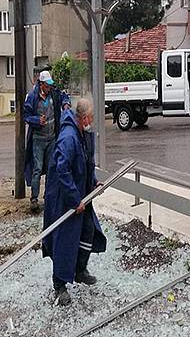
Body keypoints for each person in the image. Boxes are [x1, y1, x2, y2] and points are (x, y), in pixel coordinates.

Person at [42, 98, 107, 306]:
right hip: (64, 199)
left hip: (80, 195)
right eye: (92, 116)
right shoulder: (68, 138)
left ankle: (80, 270)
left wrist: (94, 182)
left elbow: (85, 163)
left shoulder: (81, 133)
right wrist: (74, 199)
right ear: (84, 117)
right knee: (63, 240)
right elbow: (62, 169)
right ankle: (59, 287)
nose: (92, 120)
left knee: (87, 231)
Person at [24, 70, 71, 212]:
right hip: (38, 139)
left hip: (52, 138)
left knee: (51, 168)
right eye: (47, 85)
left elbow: (63, 96)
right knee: (37, 169)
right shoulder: (32, 97)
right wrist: (37, 120)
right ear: (41, 84)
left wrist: (66, 103)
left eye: (50, 85)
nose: (49, 87)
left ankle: (48, 196)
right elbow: (25, 115)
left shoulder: (53, 92)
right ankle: (34, 199)